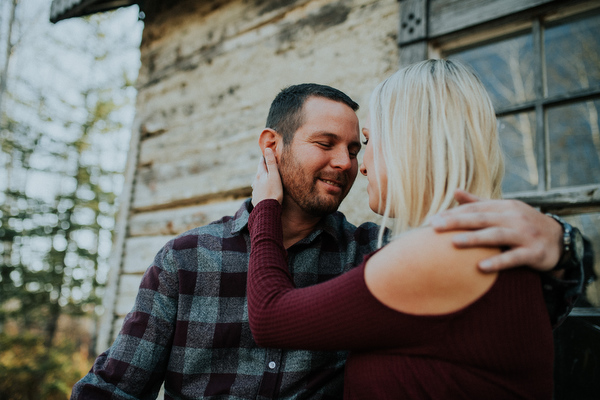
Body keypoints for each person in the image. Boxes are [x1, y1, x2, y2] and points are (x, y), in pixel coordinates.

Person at [72, 82, 587, 399]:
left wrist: (563, 241)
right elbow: (115, 388)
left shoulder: (376, 252)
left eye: (357, 147)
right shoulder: (187, 260)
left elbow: (528, 311)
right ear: (271, 146)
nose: (348, 162)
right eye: (326, 143)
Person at [247, 60, 586, 399]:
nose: (358, 166)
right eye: (327, 144)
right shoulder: (480, 244)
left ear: (406, 143)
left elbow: (269, 317)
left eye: (365, 143)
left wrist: (265, 207)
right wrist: (564, 240)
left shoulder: (441, 251)